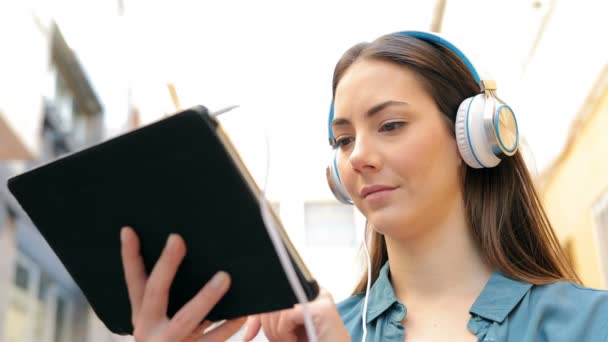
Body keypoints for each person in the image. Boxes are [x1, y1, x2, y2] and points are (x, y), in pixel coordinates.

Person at [120, 31, 608, 341]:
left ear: (474, 135)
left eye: (391, 125)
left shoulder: (589, 324)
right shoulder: (310, 332)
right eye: (343, 139)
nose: (358, 157)